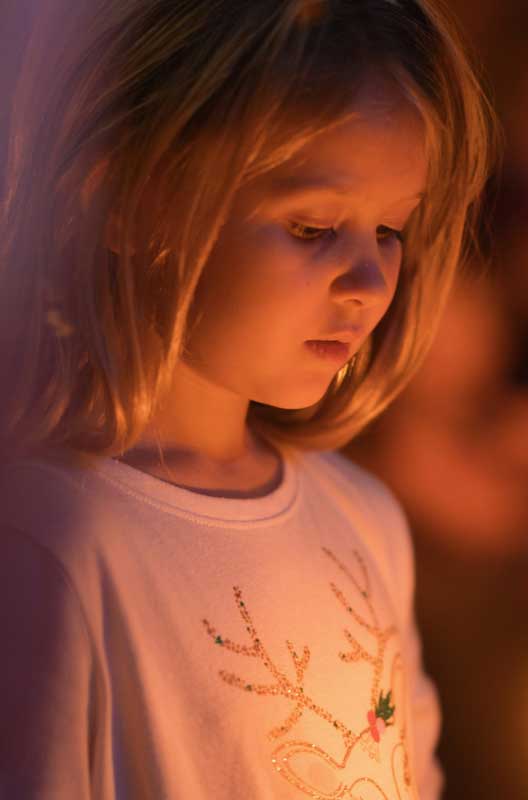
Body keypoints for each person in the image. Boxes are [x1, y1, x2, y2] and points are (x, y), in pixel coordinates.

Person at [0, 1, 498, 797]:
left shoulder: (365, 520)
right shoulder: (55, 544)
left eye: (391, 231)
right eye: (311, 228)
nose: (370, 282)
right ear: (129, 200)